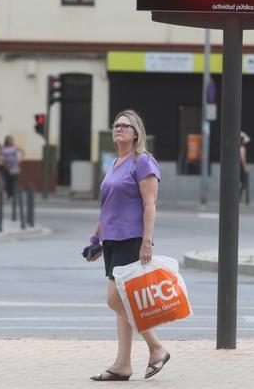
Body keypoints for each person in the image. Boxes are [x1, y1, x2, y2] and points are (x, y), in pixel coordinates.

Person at [87, 109, 169, 382]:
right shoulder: (114, 163)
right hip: (111, 241)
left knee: (115, 299)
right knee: (124, 303)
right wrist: (96, 238)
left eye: (125, 125)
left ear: (136, 133)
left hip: (131, 240)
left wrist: (147, 242)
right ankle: (123, 364)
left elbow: (150, 205)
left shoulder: (142, 161)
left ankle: (156, 347)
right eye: (116, 125)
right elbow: (108, 206)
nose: (119, 128)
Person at [1, 135, 24, 200]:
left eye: (11, 140)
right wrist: (2, 162)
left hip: (14, 166)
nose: (10, 141)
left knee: (13, 180)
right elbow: (0, 155)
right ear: (6, 141)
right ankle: (9, 194)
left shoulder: (15, 147)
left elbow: (22, 152)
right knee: (7, 181)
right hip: (6, 166)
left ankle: (13, 194)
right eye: (9, 140)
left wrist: (20, 159)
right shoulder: (3, 147)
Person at [239, 131, 250, 205]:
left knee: (240, 182)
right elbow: (243, 159)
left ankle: (238, 196)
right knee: (244, 182)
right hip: (241, 167)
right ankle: (238, 196)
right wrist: (245, 168)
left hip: (237, 167)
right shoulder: (242, 148)